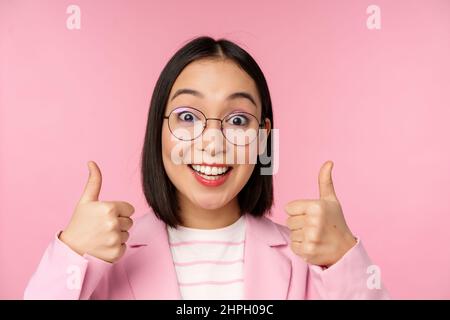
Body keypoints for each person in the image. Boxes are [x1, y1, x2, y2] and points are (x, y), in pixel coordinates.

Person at [24, 36, 389, 299]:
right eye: (187, 116)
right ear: (160, 130)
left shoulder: (311, 260)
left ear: (263, 138)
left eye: (238, 120)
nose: (213, 143)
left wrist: (345, 257)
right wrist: (71, 253)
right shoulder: (101, 257)